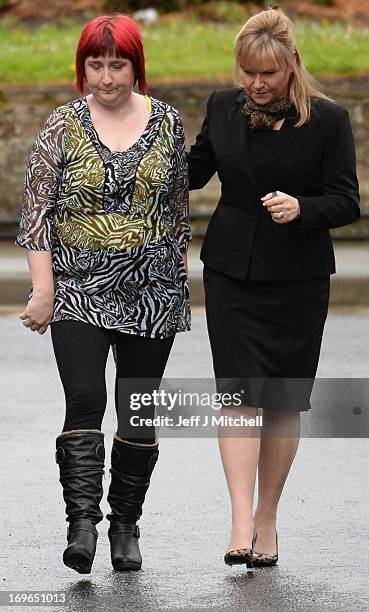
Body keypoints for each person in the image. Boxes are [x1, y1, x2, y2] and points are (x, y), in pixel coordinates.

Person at [16, 14, 190, 574]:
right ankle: (83, 525)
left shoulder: (166, 122)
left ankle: (125, 528)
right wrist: (43, 290)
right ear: (82, 67)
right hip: (77, 290)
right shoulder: (61, 126)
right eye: (96, 64)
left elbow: (178, 211)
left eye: (118, 64)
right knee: (86, 399)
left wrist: (178, 280)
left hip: (151, 289)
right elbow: (37, 215)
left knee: (138, 410)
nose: (107, 77)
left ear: (137, 67)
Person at [187, 5, 359, 570]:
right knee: (238, 394)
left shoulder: (329, 120)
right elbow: (192, 172)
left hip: (299, 279)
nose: (255, 85)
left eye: (267, 74)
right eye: (247, 73)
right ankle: (239, 519)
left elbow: (346, 201)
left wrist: (302, 208)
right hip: (233, 271)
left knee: (282, 399)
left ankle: (268, 519)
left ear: (292, 66)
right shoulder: (222, 106)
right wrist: (142, 139)